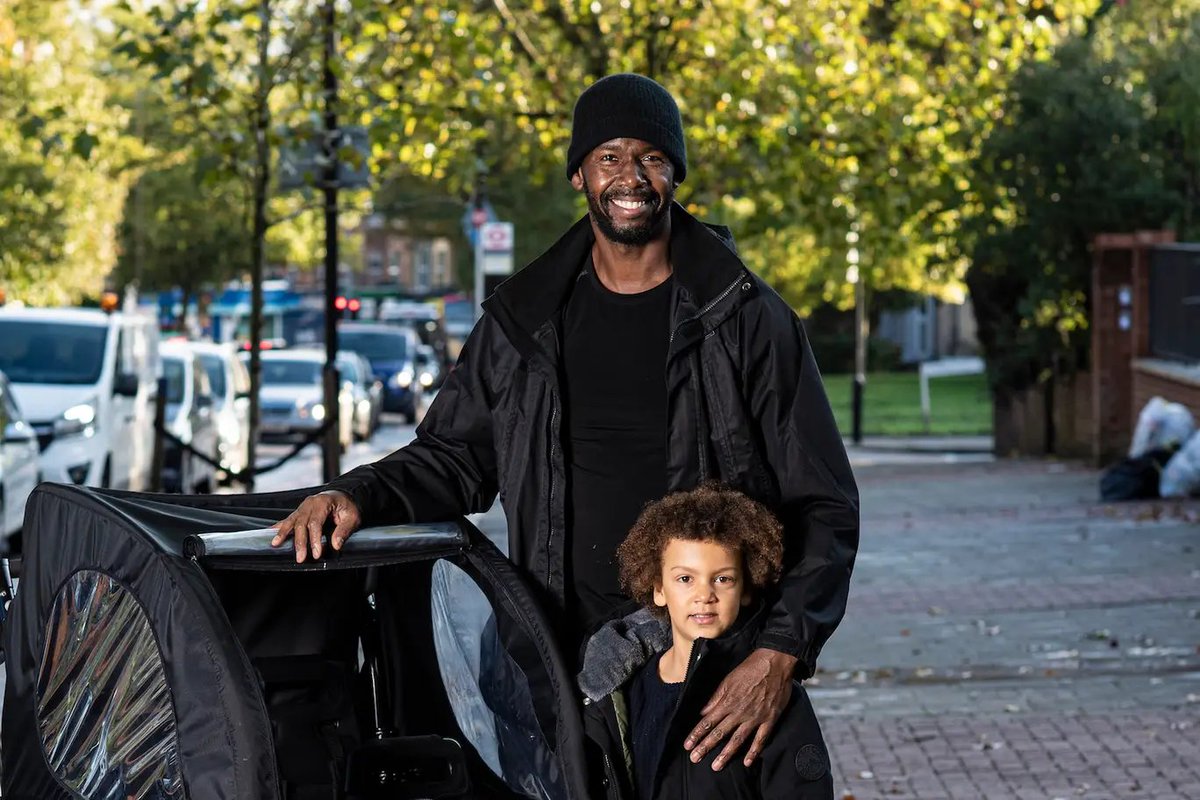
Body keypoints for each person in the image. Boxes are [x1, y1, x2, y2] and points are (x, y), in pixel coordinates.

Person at [271, 72, 859, 771]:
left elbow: (824, 503)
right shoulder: (524, 323)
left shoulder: (746, 319)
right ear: (579, 175)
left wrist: (778, 654)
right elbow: (453, 459)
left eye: (650, 156)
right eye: (609, 157)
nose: (630, 176)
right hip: (561, 666)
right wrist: (356, 493)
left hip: (710, 664)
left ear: (674, 172)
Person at [578, 484, 834, 799]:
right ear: (659, 589)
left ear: (746, 588)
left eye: (722, 579)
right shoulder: (619, 693)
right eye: (685, 579)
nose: (704, 595)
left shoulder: (767, 696)